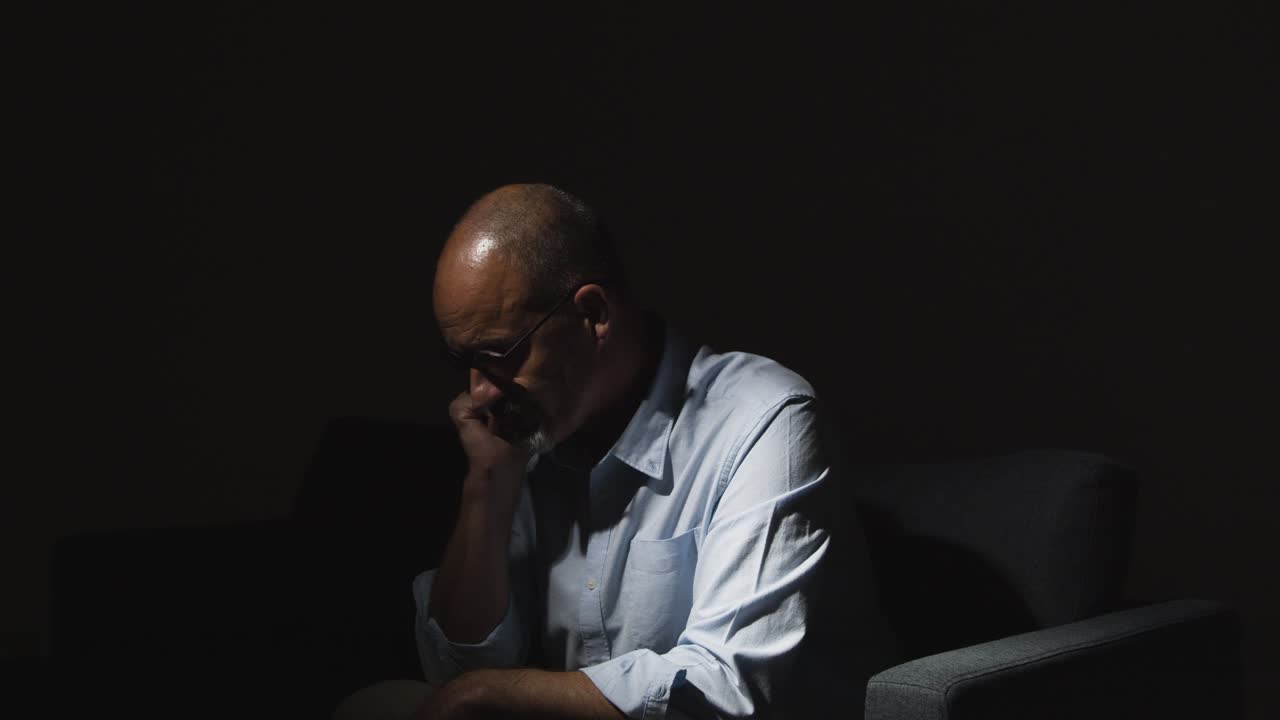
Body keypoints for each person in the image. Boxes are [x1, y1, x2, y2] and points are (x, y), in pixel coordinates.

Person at [337, 183, 833, 719]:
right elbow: (457, 672)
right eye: (464, 363)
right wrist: (488, 482)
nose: (479, 393)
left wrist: (485, 695)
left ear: (594, 314)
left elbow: (725, 690)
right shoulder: (530, 434)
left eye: (499, 354)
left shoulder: (762, 416)